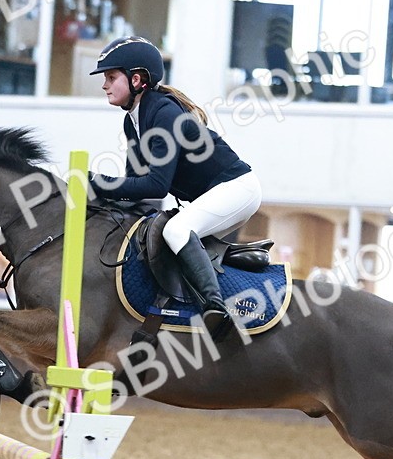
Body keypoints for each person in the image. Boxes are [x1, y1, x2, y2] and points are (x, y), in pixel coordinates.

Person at [87, 36, 262, 341]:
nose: (105, 85)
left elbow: (155, 186)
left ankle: (215, 309)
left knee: (176, 231)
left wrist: (95, 182)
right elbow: (133, 186)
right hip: (215, 194)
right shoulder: (133, 121)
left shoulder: (164, 114)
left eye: (111, 77)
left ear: (137, 79)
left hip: (238, 189)